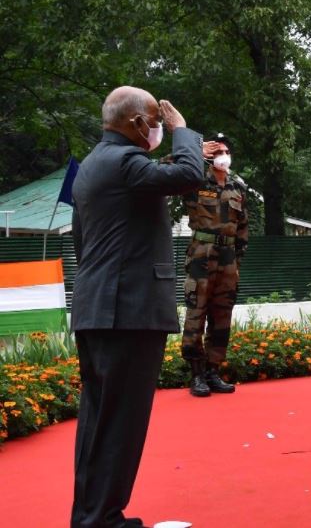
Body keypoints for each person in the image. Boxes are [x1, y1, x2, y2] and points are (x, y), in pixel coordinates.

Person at [70, 86, 204, 528]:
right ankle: (103, 519)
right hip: (125, 312)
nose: (160, 128)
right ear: (136, 124)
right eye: (155, 121)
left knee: (99, 423)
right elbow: (190, 174)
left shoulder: (93, 165)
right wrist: (183, 131)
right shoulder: (126, 163)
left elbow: (82, 241)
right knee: (120, 426)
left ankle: (93, 516)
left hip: (99, 308)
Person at [181, 133, 248, 397]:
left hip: (228, 257)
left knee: (222, 316)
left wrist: (237, 261)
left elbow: (243, 227)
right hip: (201, 253)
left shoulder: (238, 187)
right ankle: (196, 374)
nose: (223, 155)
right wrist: (194, 152)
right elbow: (163, 168)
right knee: (196, 312)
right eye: (217, 150)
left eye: (226, 150)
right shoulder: (194, 180)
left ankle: (213, 371)